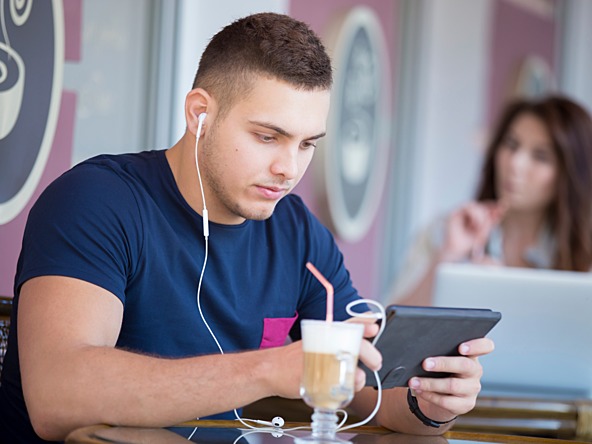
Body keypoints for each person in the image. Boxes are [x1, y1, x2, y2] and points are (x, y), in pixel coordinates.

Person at [0, 12, 493, 442]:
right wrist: (268, 371)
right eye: (267, 137)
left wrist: (431, 404)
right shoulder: (96, 201)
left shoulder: (298, 234)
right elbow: (58, 397)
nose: (288, 168)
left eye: (306, 144)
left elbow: (376, 395)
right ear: (200, 114)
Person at [389, 95, 592, 306]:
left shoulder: (586, 257)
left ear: (571, 174)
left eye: (541, 156)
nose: (515, 163)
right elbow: (387, 330)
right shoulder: (446, 232)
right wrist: (446, 260)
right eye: (511, 145)